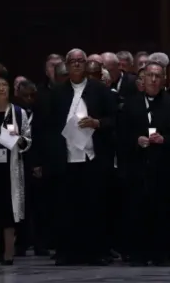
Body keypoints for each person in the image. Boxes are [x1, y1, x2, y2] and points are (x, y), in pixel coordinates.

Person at [45, 48, 117, 266]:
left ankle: (96, 252)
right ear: (67, 65)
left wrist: (97, 123)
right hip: (66, 158)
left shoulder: (99, 90)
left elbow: (115, 119)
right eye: (72, 61)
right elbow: (47, 126)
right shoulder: (57, 92)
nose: (76, 64)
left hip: (92, 158)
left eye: (80, 61)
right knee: (67, 208)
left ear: (86, 64)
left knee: (94, 206)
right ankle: (68, 252)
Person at [119, 61, 170, 265]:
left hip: (164, 168)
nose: (153, 80)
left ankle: (162, 253)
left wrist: (165, 139)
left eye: (158, 76)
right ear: (142, 80)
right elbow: (120, 135)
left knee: (163, 211)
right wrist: (136, 140)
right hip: (138, 167)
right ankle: (138, 253)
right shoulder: (131, 104)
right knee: (137, 210)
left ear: (163, 80)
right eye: (149, 76)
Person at [0, 74, 31, 266]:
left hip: (11, 168)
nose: (1, 88)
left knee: (10, 212)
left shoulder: (18, 112)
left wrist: (20, 140)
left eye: (5, 85)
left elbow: (28, 138)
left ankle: (9, 254)